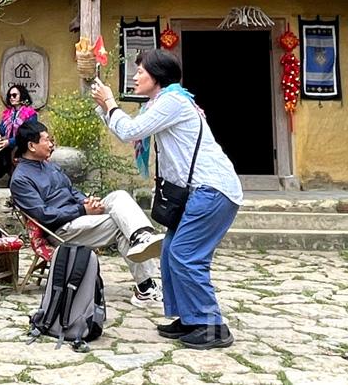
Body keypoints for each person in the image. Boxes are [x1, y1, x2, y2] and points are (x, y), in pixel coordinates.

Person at [92, 49, 243, 350]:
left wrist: (109, 102)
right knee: (171, 252)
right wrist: (102, 104)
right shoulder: (158, 104)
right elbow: (127, 128)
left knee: (187, 255)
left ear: (157, 76)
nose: (134, 76)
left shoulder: (173, 101)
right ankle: (190, 318)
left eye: (140, 71)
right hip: (200, 191)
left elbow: (130, 130)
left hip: (212, 189)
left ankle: (212, 325)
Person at [9, 119, 165, 307]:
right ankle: (146, 286)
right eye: (47, 140)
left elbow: (70, 190)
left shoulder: (48, 165)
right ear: (32, 146)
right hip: (61, 230)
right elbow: (44, 215)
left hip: (79, 217)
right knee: (119, 225)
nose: (52, 144)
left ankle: (141, 236)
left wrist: (87, 201)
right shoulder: (21, 179)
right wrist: (82, 209)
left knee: (119, 197)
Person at [0, 83, 37, 189]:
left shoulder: (30, 114)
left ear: (22, 96)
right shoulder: (8, 113)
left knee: (5, 150)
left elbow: (29, 134)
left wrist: (10, 142)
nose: (11, 98)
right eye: (10, 96)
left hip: (24, 145)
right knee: (2, 149)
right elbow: (2, 130)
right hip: (8, 145)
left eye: (14, 95)